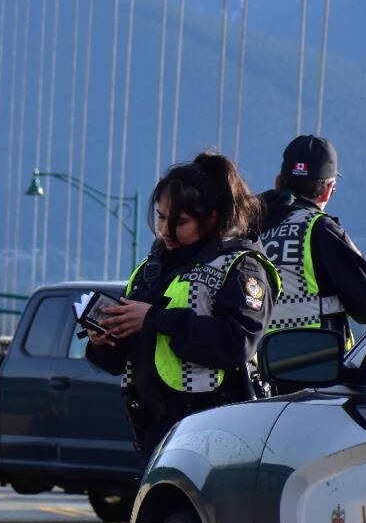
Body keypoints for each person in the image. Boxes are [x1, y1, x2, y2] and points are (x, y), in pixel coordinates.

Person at [85, 152, 281, 459]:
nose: (165, 230)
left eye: (180, 222)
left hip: (214, 430)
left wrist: (155, 319)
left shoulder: (240, 268)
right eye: (162, 217)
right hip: (155, 431)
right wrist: (104, 341)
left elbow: (236, 342)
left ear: (213, 218)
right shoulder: (151, 267)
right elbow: (118, 361)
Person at [257, 135, 366, 348]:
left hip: (258, 369)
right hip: (316, 366)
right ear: (329, 189)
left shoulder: (248, 227)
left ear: (278, 181)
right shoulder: (321, 230)